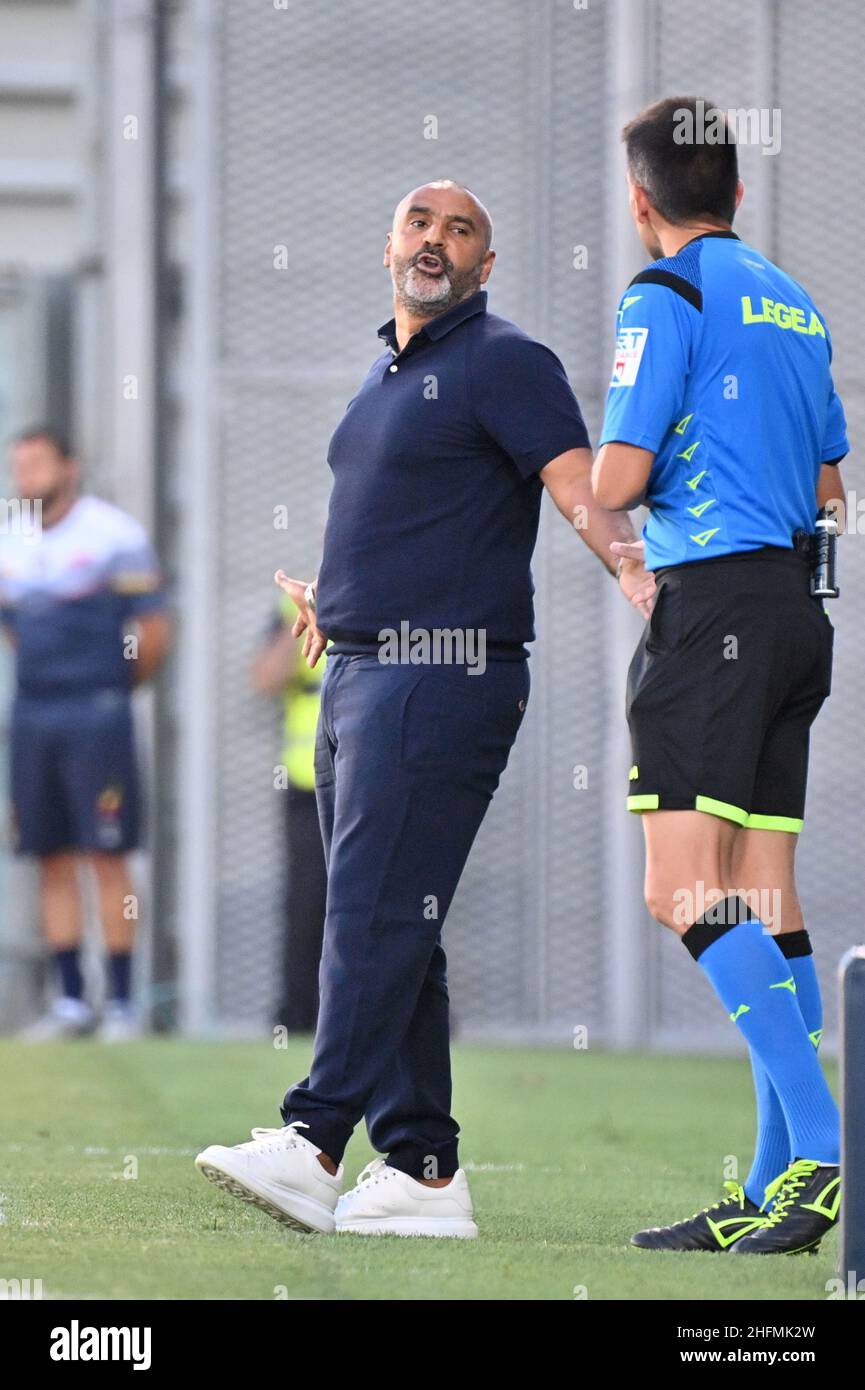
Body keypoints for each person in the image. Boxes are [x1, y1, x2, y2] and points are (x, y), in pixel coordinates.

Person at [196, 179, 653, 1237]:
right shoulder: (385, 375)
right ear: (389, 241)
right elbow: (401, 513)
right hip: (359, 668)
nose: (435, 240)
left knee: (368, 912)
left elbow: (574, 480)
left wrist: (633, 572)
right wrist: (337, 601)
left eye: (460, 231)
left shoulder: (503, 360)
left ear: (484, 269)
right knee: (404, 922)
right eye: (418, 222)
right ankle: (422, 1171)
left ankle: (312, 1143)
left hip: (442, 674)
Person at [592, 98, 848, 1254]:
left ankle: (828, 1153)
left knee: (679, 889)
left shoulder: (666, 294)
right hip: (796, 612)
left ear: (640, 201)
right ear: (736, 192)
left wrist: (607, 473)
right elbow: (834, 489)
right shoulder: (794, 301)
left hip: (715, 615)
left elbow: (615, 476)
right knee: (761, 891)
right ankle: (771, 1181)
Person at [0, 427, 171, 1040]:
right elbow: (16, 627)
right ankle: (71, 1001)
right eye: (20, 467)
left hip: (97, 713)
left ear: (69, 468)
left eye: (39, 465)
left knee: (106, 852)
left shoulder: (114, 537)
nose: (27, 478)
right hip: (34, 714)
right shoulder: (9, 537)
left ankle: (123, 1002)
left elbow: (151, 630)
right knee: (49, 855)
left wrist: (113, 687)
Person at [252, 591, 327, 1033]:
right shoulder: (291, 608)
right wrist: (304, 616)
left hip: (388, 777)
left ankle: (406, 1021)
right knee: (307, 905)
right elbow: (265, 678)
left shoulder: (400, 592)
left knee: (401, 901)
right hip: (311, 780)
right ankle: (300, 1019)